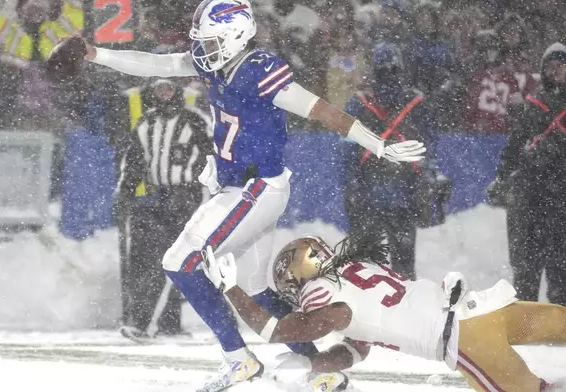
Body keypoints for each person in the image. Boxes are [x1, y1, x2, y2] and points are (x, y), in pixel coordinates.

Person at [81, 1, 425, 391]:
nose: (201, 50)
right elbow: (156, 65)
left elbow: (320, 110)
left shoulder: (260, 70)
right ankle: (320, 366)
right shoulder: (214, 64)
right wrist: (97, 54)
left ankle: (237, 359)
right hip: (243, 187)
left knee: (180, 261)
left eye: (210, 42)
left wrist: (377, 145)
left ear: (236, 37)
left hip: (255, 187)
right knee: (259, 292)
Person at [202, 235, 566, 392]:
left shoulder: (323, 293)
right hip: (485, 307)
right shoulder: (358, 266)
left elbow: (284, 331)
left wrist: (231, 290)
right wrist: (317, 366)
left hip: (465, 340)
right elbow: (358, 345)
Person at [116, 79, 213, 340]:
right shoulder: (145, 123)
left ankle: (168, 321)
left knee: (177, 260)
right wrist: (125, 192)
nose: (163, 94)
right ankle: (144, 319)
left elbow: (211, 156)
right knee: (147, 260)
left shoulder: (195, 121)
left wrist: (213, 191)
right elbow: (135, 161)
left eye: (168, 88)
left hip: (187, 198)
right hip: (156, 197)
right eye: (158, 89)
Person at [344, 43, 447, 280]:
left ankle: (401, 310)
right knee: (365, 269)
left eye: (393, 70)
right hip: (372, 193)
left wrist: (425, 177)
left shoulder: (416, 105)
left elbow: (429, 146)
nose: (389, 76)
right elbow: (347, 149)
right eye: (383, 71)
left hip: (401, 194)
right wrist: (352, 183)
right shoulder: (360, 103)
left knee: (401, 270)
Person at [487, 42, 566, 306]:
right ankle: (525, 329)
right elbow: (512, 148)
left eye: (562, 67)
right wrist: (502, 177)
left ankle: (560, 331)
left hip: (561, 202)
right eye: (552, 67)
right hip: (530, 199)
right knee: (526, 272)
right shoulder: (533, 105)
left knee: (561, 273)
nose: (557, 72)